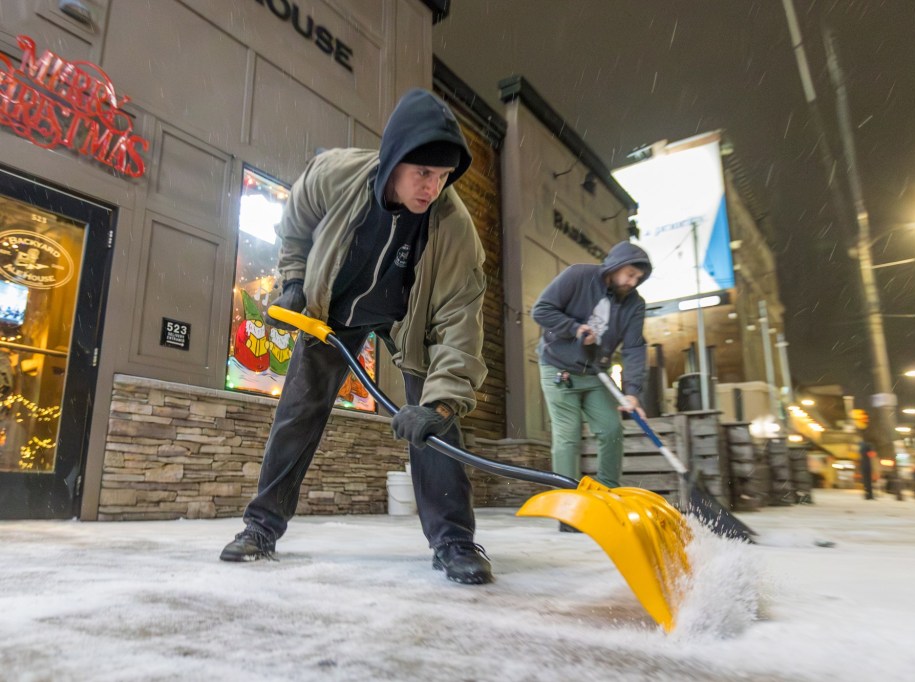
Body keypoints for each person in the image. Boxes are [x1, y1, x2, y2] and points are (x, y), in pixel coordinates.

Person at [220, 89, 492, 585]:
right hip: (335, 310)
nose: (433, 187)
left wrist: (442, 404)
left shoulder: (454, 229)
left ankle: (453, 539)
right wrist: (296, 282)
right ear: (393, 160)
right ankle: (261, 527)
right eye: (422, 173)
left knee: (433, 418)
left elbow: (459, 321)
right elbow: (296, 224)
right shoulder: (336, 175)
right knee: (299, 411)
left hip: (408, 316)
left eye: (443, 176)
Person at [531, 242, 652, 530]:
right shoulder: (578, 276)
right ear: (615, 265)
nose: (632, 282)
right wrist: (574, 328)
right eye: (630, 274)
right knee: (568, 437)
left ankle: (608, 495)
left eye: (638, 278)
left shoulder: (635, 304)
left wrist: (633, 393)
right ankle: (568, 508)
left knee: (611, 429)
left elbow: (635, 347)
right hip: (558, 368)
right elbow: (541, 310)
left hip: (596, 372)